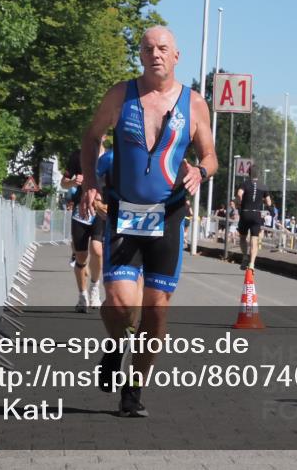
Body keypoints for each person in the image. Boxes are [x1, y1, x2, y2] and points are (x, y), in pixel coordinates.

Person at [78, 26, 216, 418]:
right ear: (140, 55)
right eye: (148, 48)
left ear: (176, 56)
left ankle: (133, 390)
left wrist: (200, 172)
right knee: (121, 304)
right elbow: (91, 137)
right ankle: (115, 345)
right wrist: (90, 182)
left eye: (163, 48)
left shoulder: (195, 104)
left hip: (168, 217)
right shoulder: (120, 95)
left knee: (155, 312)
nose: (155, 54)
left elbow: (210, 156)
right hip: (124, 214)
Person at [63, 144, 113, 312]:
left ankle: (94, 288)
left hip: (101, 209)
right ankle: (82, 295)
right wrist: (72, 182)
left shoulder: (111, 157)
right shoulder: (78, 155)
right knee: (81, 256)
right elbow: (64, 183)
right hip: (81, 209)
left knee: (97, 250)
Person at [236, 166, 273, 270]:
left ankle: (245, 257)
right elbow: (268, 202)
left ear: (249, 174)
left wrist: (239, 203)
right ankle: (252, 263)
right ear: (259, 174)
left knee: (243, 237)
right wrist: (267, 206)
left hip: (245, 213)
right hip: (256, 214)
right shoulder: (263, 186)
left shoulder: (245, 184)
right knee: (254, 239)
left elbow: (239, 194)